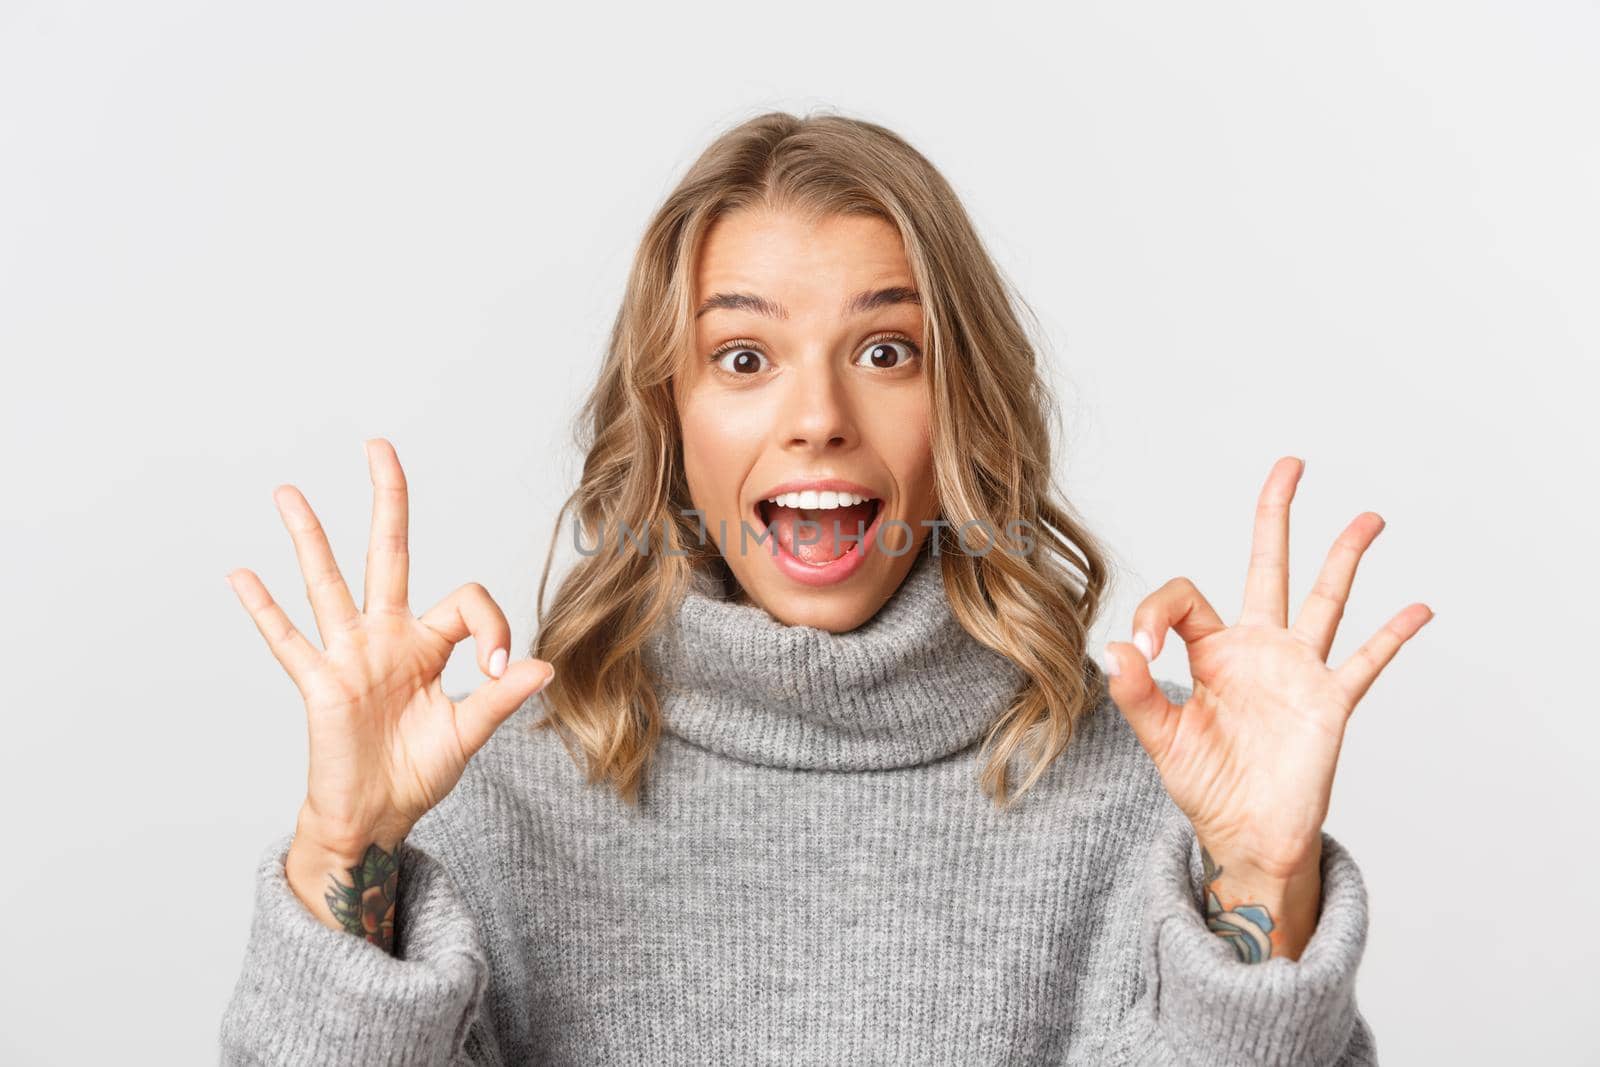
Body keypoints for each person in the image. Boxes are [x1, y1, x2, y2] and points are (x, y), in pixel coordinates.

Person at [218, 111, 1430, 1064]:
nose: (817, 419)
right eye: (743, 357)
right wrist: (350, 845)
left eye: (887, 350)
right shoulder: (493, 796)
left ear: (964, 402)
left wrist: (1266, 877)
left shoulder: (1155, 798)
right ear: (668, 416)